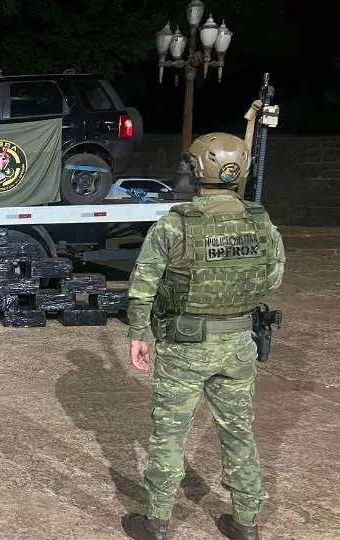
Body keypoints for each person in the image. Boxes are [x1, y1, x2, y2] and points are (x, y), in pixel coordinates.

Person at [122, 133, 285, 540]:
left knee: (169, 434)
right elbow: (273, 278)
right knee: (239, 432)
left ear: (196, 169)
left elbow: (143, 285)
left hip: (185, 345)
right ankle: (246, 522)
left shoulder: (175, 224)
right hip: (238, 344)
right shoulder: (261, 222)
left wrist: (139, 332)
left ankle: (157, 522)